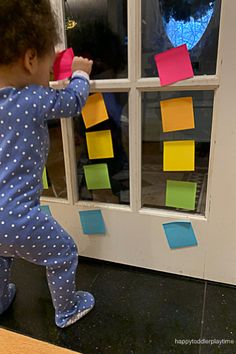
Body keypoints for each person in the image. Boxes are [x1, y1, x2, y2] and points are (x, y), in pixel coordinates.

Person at [0, 0, 94, 328]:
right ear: (29, 59)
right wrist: (80, 73)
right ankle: (67, 309)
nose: (51, 74)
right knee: (63, 253)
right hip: (18, 217)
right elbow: (72, 102)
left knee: (1, 256)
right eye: (49, 66)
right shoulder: (31, 98)